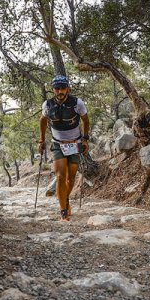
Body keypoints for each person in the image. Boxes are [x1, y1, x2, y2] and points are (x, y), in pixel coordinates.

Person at [38, 75, 90, 221]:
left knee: (71, 177)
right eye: (57, 88)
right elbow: (42, 120)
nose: (60, 91)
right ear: (53, 90)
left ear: (68, 88)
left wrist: (85, 140)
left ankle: (65, 199)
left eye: (63, 88)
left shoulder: (77, 103)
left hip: (75, 143)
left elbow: (85, 120)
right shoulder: (47, 105)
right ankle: (63, 211)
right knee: (60, 176)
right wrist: (41, 140)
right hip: (58, 144)